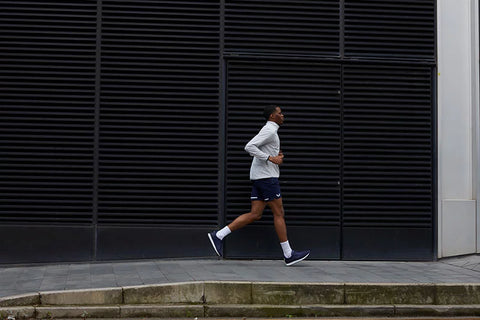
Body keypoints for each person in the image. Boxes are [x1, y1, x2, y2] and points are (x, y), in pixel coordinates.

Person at [208, 105, 310, 266]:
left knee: (255, 214)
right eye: (279, 113)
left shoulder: (271, 131)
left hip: (260, 177)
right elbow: (249, 147)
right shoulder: (269, 130)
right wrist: (271, 158)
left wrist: (276, 157)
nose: (283, 115)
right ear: (271, 116)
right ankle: (288, 254)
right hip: (267, 179)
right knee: (279, 213)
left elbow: (261, 150)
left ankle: (218, 235)